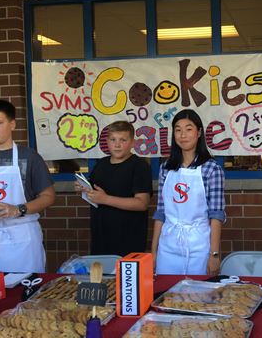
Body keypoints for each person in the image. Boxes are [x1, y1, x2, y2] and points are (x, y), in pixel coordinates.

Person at [152, 109, 225, 276]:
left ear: (199, 132)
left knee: (197, 297)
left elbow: (216, 215)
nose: (182, 135)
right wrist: (154, 251)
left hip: (199, 246)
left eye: (188, 129)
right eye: (178, 130)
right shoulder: (166, 168)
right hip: (168, 245)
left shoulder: (211, 169)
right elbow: (161, 212)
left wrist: (214, 254)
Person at [75, 121, 152, 257]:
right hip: (101, 237)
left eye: (123, 140)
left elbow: (142, 203)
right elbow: (94, 194)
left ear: (133, 143)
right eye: (113, 140)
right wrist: (82, 188)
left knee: (125, 278)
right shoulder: (101, 164)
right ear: (107, 142)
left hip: (128, 239)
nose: (117, 145)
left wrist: (105, 199)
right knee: (101, 277)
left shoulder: (139, 166)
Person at [0, 99, 55, 272]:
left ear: (13, 124)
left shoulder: (29, 157)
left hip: (23, 239)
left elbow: (48, 196)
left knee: (27, 292)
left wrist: (18, 209)